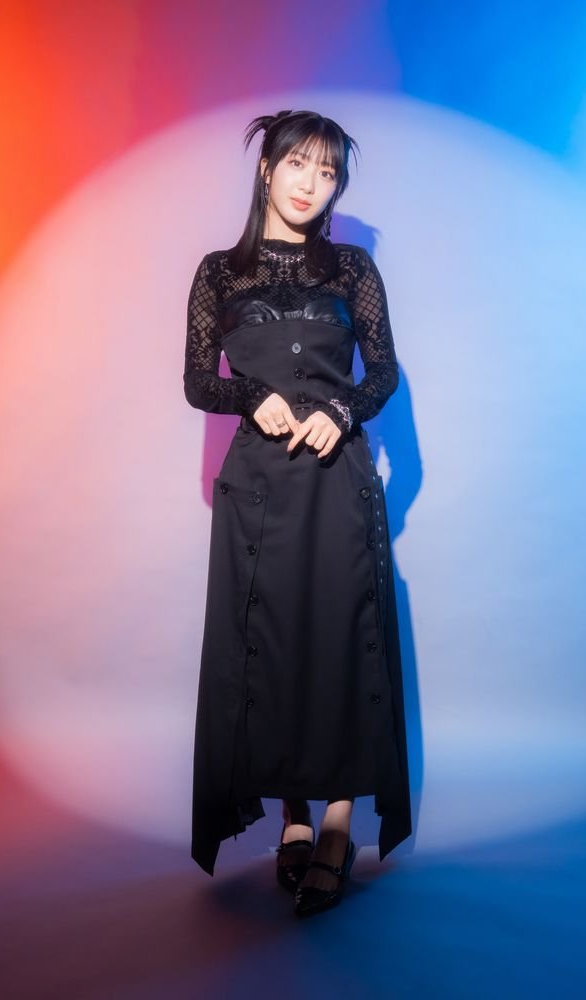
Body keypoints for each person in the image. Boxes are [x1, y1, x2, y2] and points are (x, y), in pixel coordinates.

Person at [184, 109, 411, 917]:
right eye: (299, 165)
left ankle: (338, 826)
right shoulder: (218, 273)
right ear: (266, 169)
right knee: (271, 647)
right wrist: (252, 396)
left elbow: (382, 373)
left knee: (340, 641)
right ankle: (293, 820)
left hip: (336, 478)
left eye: (328, 172)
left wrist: (342, 411)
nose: (313, 184)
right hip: (256, 489)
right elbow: (198, 382)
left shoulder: (351, 269)